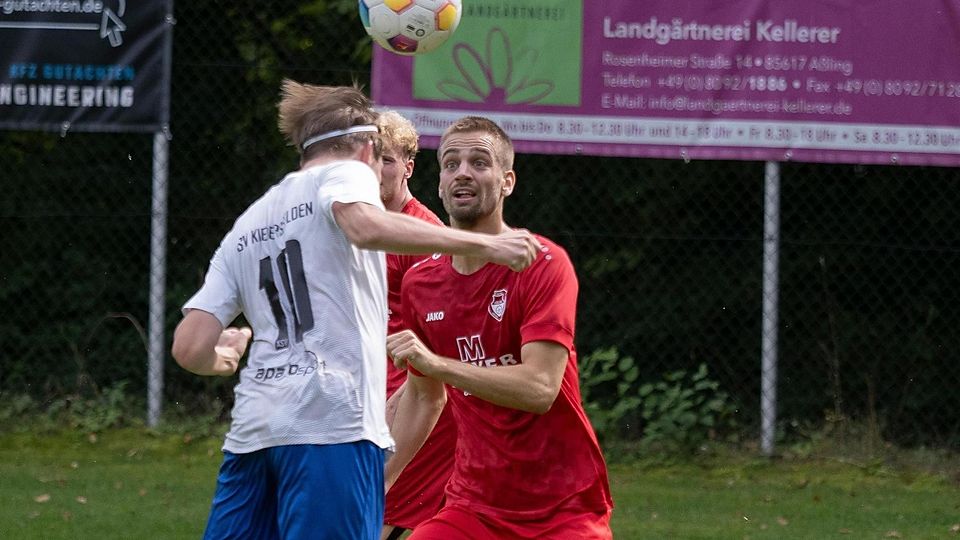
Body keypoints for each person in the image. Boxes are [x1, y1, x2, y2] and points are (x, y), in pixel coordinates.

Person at [171, 83, 541, 540]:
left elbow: (188, 347)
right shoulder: (345, 176)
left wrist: (222, 357)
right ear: (366, 147)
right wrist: (485, 241)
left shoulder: (251, 221)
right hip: (332, 428)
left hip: (254, 434)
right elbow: (364, 227)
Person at [386, 116, 614, 539]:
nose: (463, 172)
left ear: (507, 181)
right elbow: (422, 396)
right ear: (439, 185)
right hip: (473, 507)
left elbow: (539, 389)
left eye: (479, 162)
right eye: (451, 163)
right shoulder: (422, 283)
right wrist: (378, 480)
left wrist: (439, 365)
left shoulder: (542, 262)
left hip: (563, 508)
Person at [375, 111, 456, 540]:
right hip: (365, 388)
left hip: (416, 394)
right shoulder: (354, 222)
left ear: (408, 166)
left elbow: (442, 340)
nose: (376, 169)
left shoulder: (422, 234)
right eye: (368, 158)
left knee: (374, 516)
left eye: (387, 159)